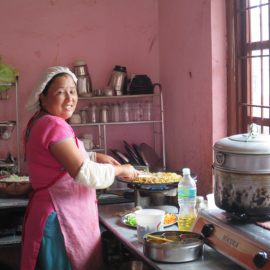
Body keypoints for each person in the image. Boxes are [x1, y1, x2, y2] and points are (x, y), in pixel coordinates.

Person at [21, 66, 140, 270]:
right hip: (60, 219)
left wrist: (95, 156)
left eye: (73, 91)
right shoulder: (54, 125)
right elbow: (84, 173)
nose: (69, 98)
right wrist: (121, 170)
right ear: (43, 97)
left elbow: (58, 158)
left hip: (53, 214)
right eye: (60, 92)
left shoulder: (38, 122)